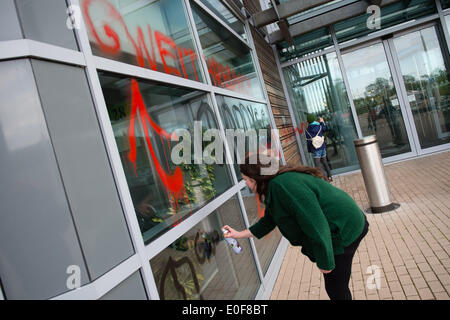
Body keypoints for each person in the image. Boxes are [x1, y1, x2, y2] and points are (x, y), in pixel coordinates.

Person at [223, 155, 369, 300]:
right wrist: (238, 234)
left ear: (257, 178)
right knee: (336, 285)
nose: (246, 184)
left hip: (345, 228)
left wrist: (326, 261)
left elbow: (316, 224)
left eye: (246, 180)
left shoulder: (282, 186)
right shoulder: (276, 184)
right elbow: (269, 220)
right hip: (343, 223)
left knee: (336, 287)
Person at [305, 116, 333, 182]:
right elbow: (324, 128)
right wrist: (322, 121)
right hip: (322, 147)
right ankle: (330, 177)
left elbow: (309, 142)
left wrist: (310, 150)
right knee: (324, 162)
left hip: (316, 149)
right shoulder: (320, 126)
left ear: (308, 121)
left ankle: (326, 179)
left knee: (318, 165)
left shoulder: (307, 130)